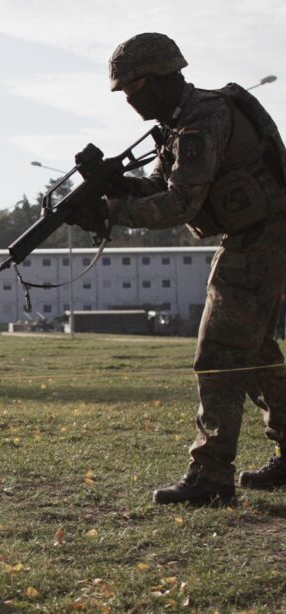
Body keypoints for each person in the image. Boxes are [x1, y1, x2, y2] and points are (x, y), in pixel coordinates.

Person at [69, 33, 286, 505]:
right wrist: (116, 188)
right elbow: (164, 186)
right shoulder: (181, 120)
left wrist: (111, 213)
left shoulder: (202, 118)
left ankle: (210, 476)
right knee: (254, 352)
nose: (128, 98)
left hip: (263, 238)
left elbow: (181, 204)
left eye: (133, 86)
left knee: (219, 353)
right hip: (258, 236)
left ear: (161, 78)